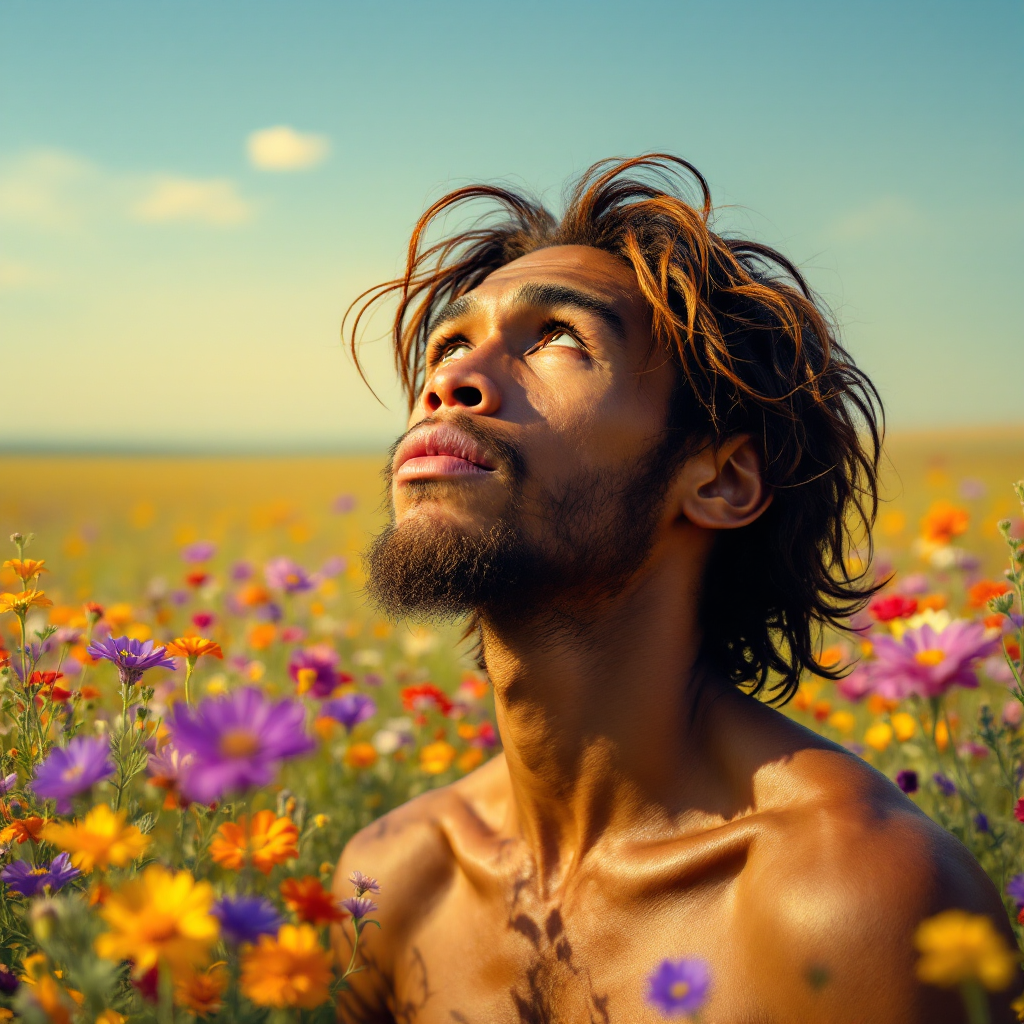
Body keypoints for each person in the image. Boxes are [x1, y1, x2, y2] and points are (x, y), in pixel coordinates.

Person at [332, 155, 1017, 1023]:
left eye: (557, 339)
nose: (448, 384)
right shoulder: (389, 881)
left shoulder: (854, 899)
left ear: (722, 481)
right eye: (451, 344)